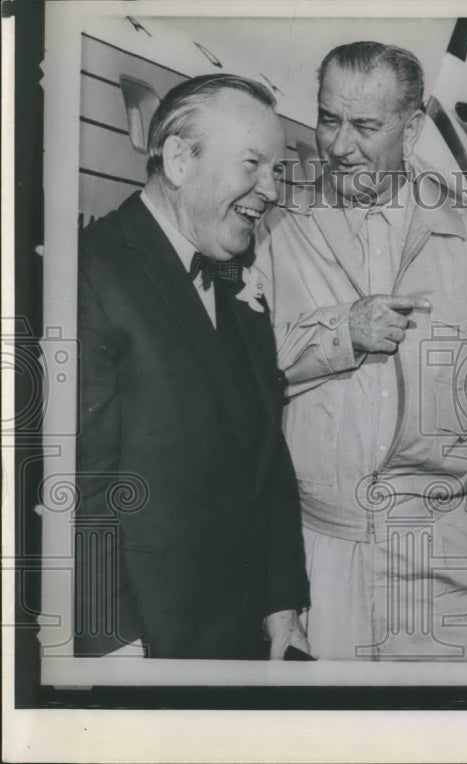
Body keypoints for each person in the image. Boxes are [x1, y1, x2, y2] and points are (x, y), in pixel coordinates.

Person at [254, 42, 467, 661]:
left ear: (411, 129)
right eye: (329, 119)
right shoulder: (277, 233)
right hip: (319, 556)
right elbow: (244, 376)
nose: (338, 145)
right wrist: (340, 335)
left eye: (365, 126)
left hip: (451, 561)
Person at [75, 74, 310, 659]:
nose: (272, 190)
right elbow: (79, 490)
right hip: (146, 643)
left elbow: (265, 457)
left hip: (239, 637)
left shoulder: (233, 278)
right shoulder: (89, 275)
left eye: (275, 170)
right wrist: (110, 643)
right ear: (179, 160)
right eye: (253, 165)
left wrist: (281, 603)